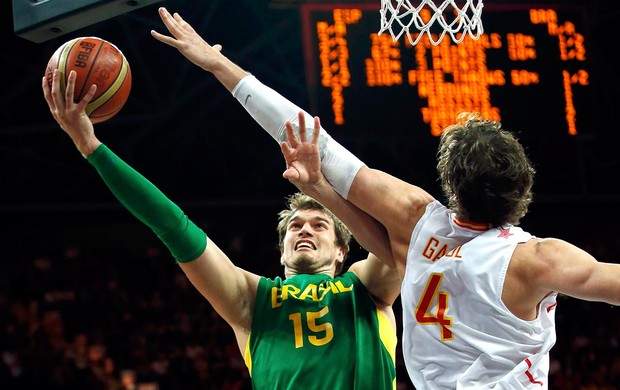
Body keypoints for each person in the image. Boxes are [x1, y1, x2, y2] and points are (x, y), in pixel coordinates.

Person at [150, 6, 620, 389]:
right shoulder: (537, 260)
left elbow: (316, 140)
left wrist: (219, 66)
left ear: (451, 186)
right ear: (524, 188)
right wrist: (317, 190)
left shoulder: (421, 221)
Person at [42, 68, 402, 388]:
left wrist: (324, 190)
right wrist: (91, 147)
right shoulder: (252, 300)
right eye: (295, 226)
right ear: (281, 249)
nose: (304, 230)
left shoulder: (365, 287)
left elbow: (400, 232)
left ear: (342, 250)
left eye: (320, 225)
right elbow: (173, 227)